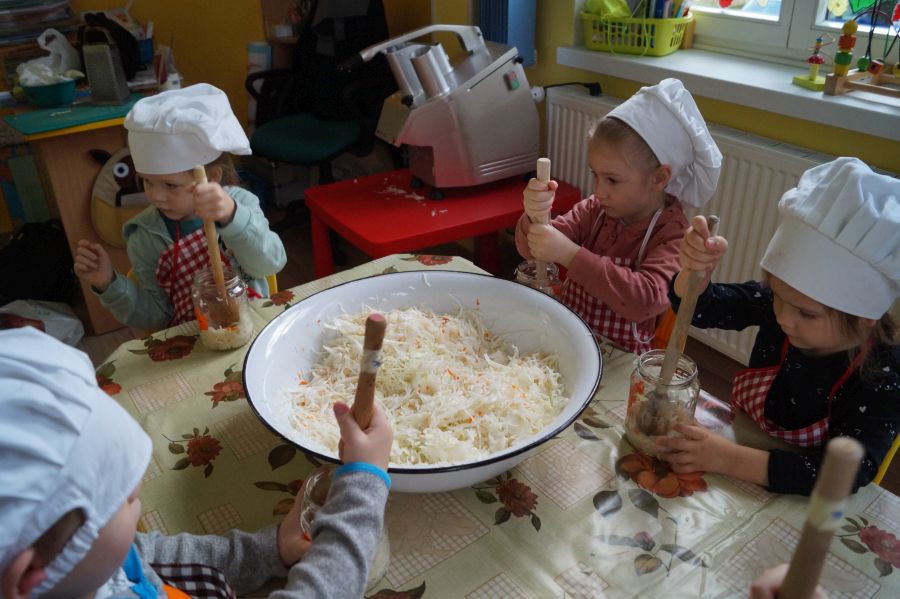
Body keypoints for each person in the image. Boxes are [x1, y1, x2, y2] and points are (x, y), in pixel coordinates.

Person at [0, 326, 393, 599]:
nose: (137, 492)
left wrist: (269, 550)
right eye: (120, 500)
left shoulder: (82, 569)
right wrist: (363, 484)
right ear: (28, 576)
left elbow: (148, 555)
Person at [656, 157, 900, 495]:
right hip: (745, 440)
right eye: (777, 296)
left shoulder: (885, 373)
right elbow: (700, 310)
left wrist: (726, 458)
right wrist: (695, 272)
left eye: (807, 314)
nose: (784, 317)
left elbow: (845, 474)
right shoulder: (781, 307)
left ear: (863, 318)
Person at [515, 78, 722, 353]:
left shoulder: (672, 234)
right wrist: (535, 216)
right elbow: (532, 250)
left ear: (658, 178)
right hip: (571, 340)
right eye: (595, 175)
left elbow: (643, 300)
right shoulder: (594, 210)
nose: (598, 191)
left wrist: (570, 255)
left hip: (621, 359)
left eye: (612, 180)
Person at [74, 83, 286, 332]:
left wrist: (232, 217)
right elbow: (157, 318)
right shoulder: (144, 237)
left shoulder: (241, 204)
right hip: (191, 337)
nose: (156, 196)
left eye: (170, 185)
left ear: (212, 177)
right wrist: (109, 283)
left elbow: (270, 264)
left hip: (253, 327)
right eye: (146, 182)